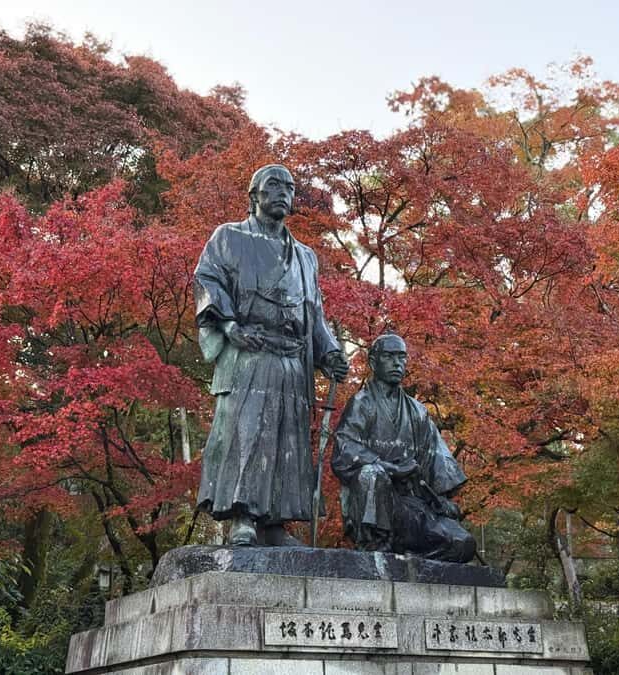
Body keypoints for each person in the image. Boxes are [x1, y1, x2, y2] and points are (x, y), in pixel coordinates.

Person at [194, 164, 348, 546]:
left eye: (290, 187)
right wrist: (229, 326)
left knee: (288, 441)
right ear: (254, 195)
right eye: (273, 185)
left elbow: (314, 312)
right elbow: (207, 280)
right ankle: (243, 516)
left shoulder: (305, 257)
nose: (283, 192)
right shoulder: (228, 237)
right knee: (247, 432)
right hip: (250, 350)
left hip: (293, 360)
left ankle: (275, 523)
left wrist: (328, 352)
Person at [332, 333, 475, 563]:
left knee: (464, 544)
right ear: (373, 362)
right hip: (376, 504)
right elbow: (345, 448)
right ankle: (376, 545)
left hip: (412, 505)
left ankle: (413, 560)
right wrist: (390, 468)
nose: (397, 363)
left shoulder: (417, 411)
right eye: (389, 357)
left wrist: (443, 498)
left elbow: (436, 458)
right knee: (372, 473)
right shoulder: (361, 403)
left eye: (401, 357)